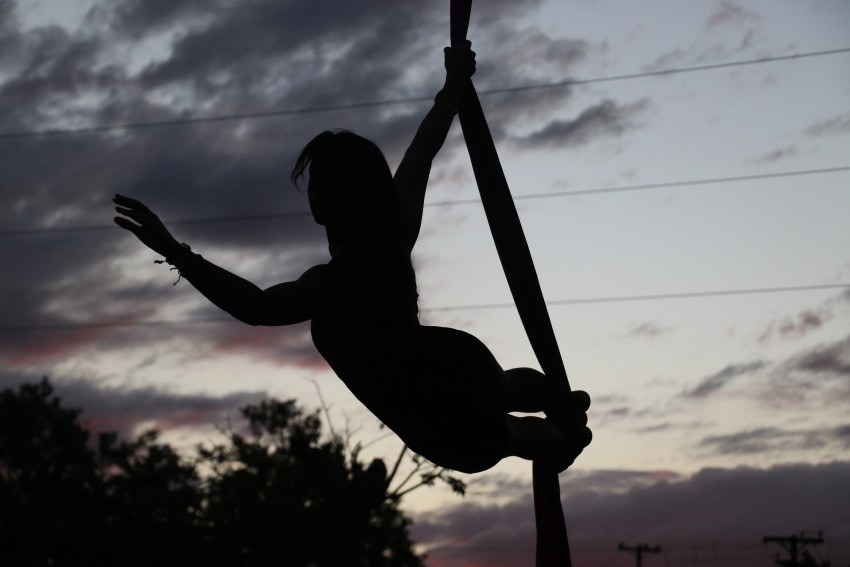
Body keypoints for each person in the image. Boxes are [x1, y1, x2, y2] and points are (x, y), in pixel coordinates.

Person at [114, 42, 591, 474]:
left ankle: (561, 428)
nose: (310, 194)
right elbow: (422, 151)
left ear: (331, 199)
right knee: (503, 390)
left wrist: (177, 252)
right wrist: (451, 90)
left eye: (317, 184)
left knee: (513, 435)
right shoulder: (396, 231)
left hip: (435, 411)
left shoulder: (335, 283)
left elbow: (257, 308)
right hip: (455, 361)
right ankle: (557, 401)